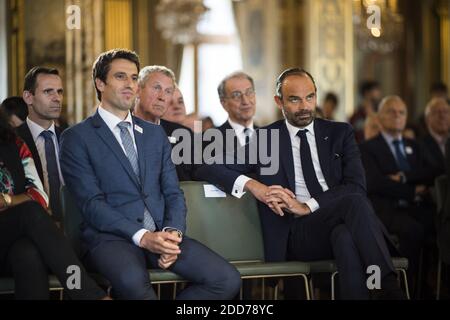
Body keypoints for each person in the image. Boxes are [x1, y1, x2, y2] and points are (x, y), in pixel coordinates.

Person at [195, 67, 404, 300]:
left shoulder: (339, 133)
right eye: (294, 99)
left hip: (340, 222)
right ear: (279, 101)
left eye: (310, 97)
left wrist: (307, 205)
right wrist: (256, 187)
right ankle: (389, 288)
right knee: (353, 204)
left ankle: (379, 290)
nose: (304, 106)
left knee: (345, 236)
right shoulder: (267, 139)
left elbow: (357, 186)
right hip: (298, 234)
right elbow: (207, 166)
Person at [59, 49, 240, 300]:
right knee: (135, 286)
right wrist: (144, 238)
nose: (129, 84)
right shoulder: (76, 138)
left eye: (133, 78)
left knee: (227, 280)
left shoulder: (155, 135)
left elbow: (172, 192)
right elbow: (92, 205)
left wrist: (173, 232)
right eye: (120, 77)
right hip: (110, 238)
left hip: (162, 233)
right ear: (100, 83)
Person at [0, 110, 109, 300]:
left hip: (13, 234)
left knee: (28, 252)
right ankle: (89, 295)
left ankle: (87, 294)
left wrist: (6, 200)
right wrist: (19, 200)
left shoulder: (14, 143)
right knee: (30, 212)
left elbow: (39, 196)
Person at [359, 96, 436, 297]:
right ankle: (403, 288)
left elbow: (433, 171)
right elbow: (375, 182)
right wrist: (412, 190)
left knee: (436, 227)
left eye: (401, 112)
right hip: (385, 210)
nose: (397, 116)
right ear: (380, 117)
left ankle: (424, 286)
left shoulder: (415, 145)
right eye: (391, 112)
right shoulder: (368, 147)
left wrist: (403, 177)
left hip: (417, 208)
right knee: (413, 230)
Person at [16, 67, 65, 223]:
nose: (57, 98)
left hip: (75, 226)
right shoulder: (12, 140)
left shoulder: (70, 137)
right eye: (48, 92)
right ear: (28, 97)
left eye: (60, 92)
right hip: (30, 225)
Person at [133, 66, 196, 181]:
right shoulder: (119, 130)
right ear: (137, 90)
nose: (162, 97)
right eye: (156, 88)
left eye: (168, 91)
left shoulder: (183, 135)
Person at [216, 71, 258, 149]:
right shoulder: (211, 140)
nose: (245, 101)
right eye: (236, 95)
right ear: (223, 103)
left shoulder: (269, 136)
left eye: (249, 92)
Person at [420, 98, 449, 180]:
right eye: (437, 112)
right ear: (427, 119)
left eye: (446, 112)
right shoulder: (419, 145)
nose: (442, 116)